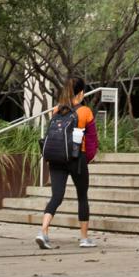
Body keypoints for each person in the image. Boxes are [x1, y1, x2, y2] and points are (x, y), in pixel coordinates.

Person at [35, 77, 99, 249]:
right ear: (81, 92)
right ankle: (84, 238)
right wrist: (88, 157)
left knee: (56, 196)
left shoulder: (56, 110)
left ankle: (43, 231)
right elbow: (92, 139)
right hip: (76, 158)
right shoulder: (85, 111)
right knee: (82, 196)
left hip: (56, 158)